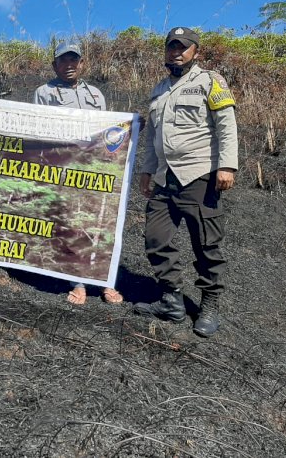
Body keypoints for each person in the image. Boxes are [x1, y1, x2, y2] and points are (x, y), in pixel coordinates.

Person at [134, 27, 238, 337]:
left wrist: (227, 166)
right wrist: (146, 170)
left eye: (183, 47)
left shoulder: (210, 82)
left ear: (195, 52)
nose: (176, 52)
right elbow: (153, 137)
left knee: (206, 245)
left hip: (199, 176)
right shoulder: (159, 91)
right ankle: (172, 300)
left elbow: (226, 125)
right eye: (171, 47)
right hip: (165, 178)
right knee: (156, 238)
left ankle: (210, 304)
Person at [33, 42, 124, 305]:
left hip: (95, 170)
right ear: (54, 65)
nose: (69, 64)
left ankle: (106, 282)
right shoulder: (44, 92)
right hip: (64, 169)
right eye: (63, 60)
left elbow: (109, 132)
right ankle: (78, 282)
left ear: (81, 63)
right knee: (72, 224)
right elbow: (40, 131)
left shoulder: (96, 94)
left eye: (74, 60)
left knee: (101, 224)